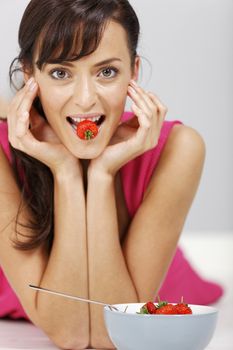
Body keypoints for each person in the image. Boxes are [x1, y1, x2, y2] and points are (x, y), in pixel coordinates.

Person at [0, 0, 223, 349]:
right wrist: (67, 173)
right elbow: (72, 334)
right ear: (31, 75)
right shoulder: (3, 151)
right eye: (61, 73)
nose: (86, 99)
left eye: (107, 72)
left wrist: (102, 174)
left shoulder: (180, 148)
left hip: (159, 294)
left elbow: (110, 336)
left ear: (133, 72)